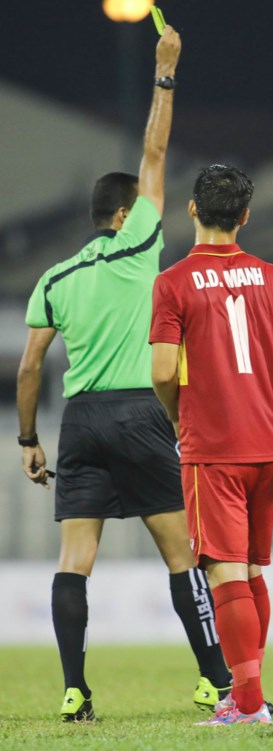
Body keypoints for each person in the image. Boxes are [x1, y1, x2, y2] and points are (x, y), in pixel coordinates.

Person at [15, 27, 235, 723]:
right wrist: (165, 73)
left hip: (77, 419)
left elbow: (28, 366)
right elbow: (155, 151)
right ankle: (216, 680)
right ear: (124, 214)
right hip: (140, 412)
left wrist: (28, 438)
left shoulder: (54, 277)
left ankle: (74, 689)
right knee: (181, 554)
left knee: (74, 558)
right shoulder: (141, 242)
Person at [150, 163, 273, 726]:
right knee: (252, 572)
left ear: (191, 210)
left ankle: (249, 704)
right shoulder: (272, 277)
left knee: (225, 573)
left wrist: (177, 413)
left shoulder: (174, 282)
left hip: (214, 446)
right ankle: (245, 695)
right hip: (270, 444)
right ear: (246, 217)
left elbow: (163, 369)